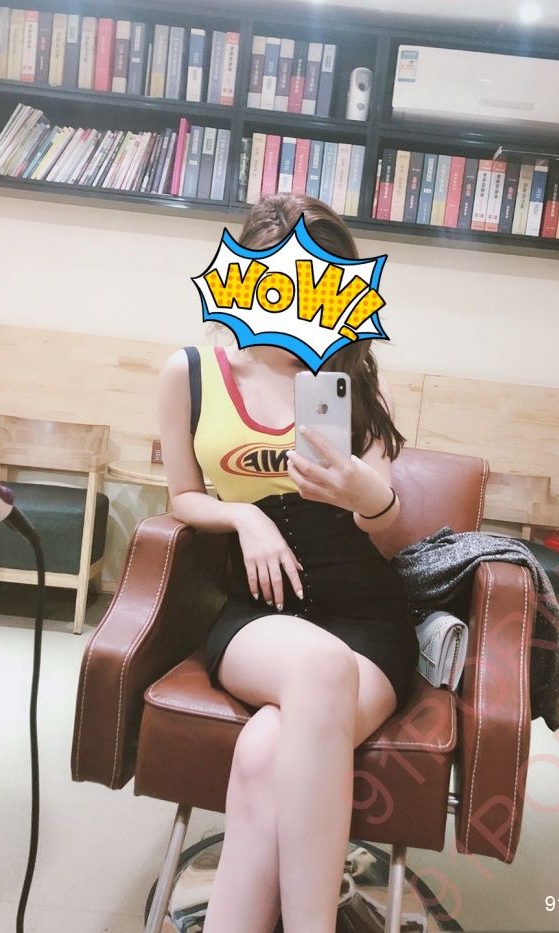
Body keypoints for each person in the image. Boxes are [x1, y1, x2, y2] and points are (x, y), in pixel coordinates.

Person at [158, 193, 419, 933]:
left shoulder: (354, 380)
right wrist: (244, 515)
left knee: (263, 752)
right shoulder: (190, 372)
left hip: (366, 617)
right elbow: (181, 496)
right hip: (257, 610)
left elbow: (388, 530)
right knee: (317, 667)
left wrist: (368, 495)